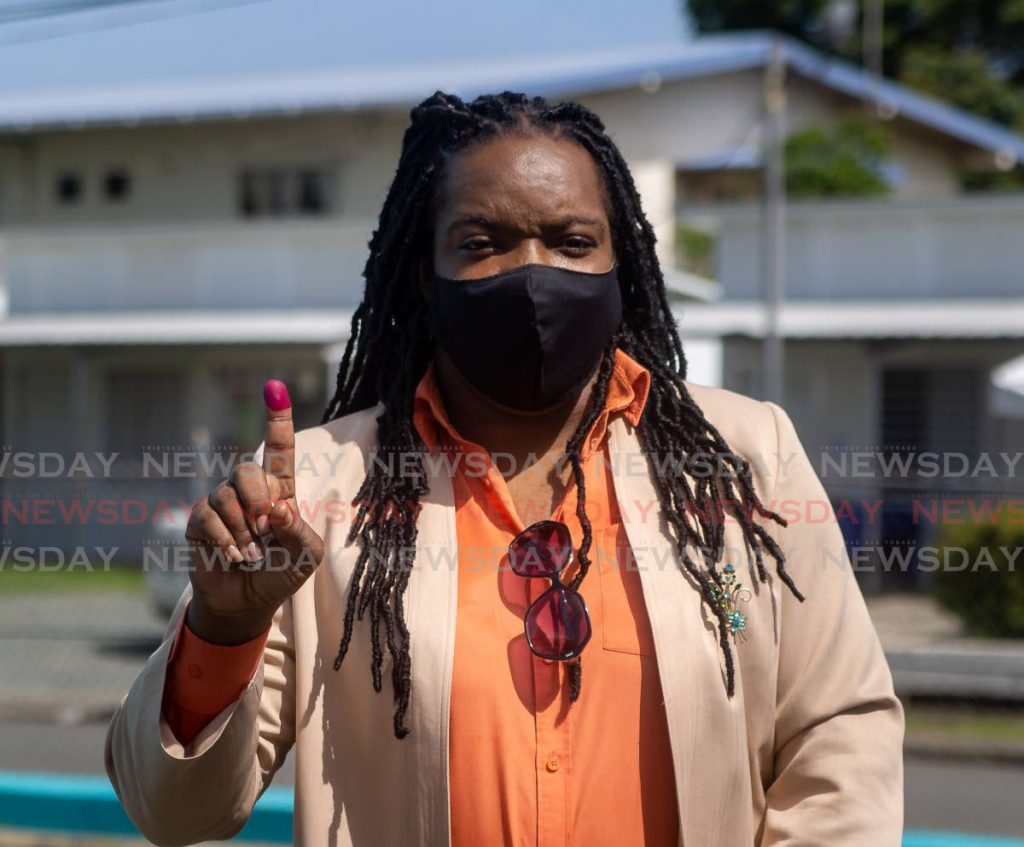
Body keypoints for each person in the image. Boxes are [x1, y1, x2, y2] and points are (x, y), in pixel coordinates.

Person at [105, 90, 904, 847]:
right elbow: (174, 813)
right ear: (427, 274)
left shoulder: (745, 456)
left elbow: (840, 731)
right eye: (482, 243)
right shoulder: (316, 491)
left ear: (620, 264)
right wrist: (225, 626)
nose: (532, 273)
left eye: (571, 240)